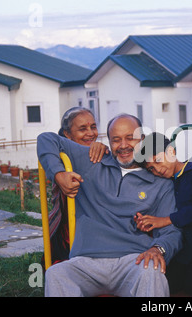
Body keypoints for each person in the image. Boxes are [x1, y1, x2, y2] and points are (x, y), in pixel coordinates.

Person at [37, 113, 182, 297]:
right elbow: (46, 139)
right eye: (116, 140)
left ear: (142, 139)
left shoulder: (159, 181)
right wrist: (58, 175)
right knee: (56, 274)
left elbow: (172, 231)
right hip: (87, 260)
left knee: (152, 272)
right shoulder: (92, 160)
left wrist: (158, 249)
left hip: (134, 260)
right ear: (108, 141)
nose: (123, 146)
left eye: (130, 138)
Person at [134, 132, 192, 296]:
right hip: (179, 251)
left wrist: (165, 220)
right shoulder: (164, 182)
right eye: (151, 168)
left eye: (158, 160)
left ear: (172, 151)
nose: (157, 169)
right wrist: (145, 220)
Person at [43, 107, 108, 266]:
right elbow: (45, 139)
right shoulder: (63, 157)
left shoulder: (97, 152)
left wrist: (105, 150)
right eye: (82, 129)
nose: (91, 133)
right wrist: (59, 175)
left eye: (93, 127)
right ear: (67, 134)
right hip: (70, 232)